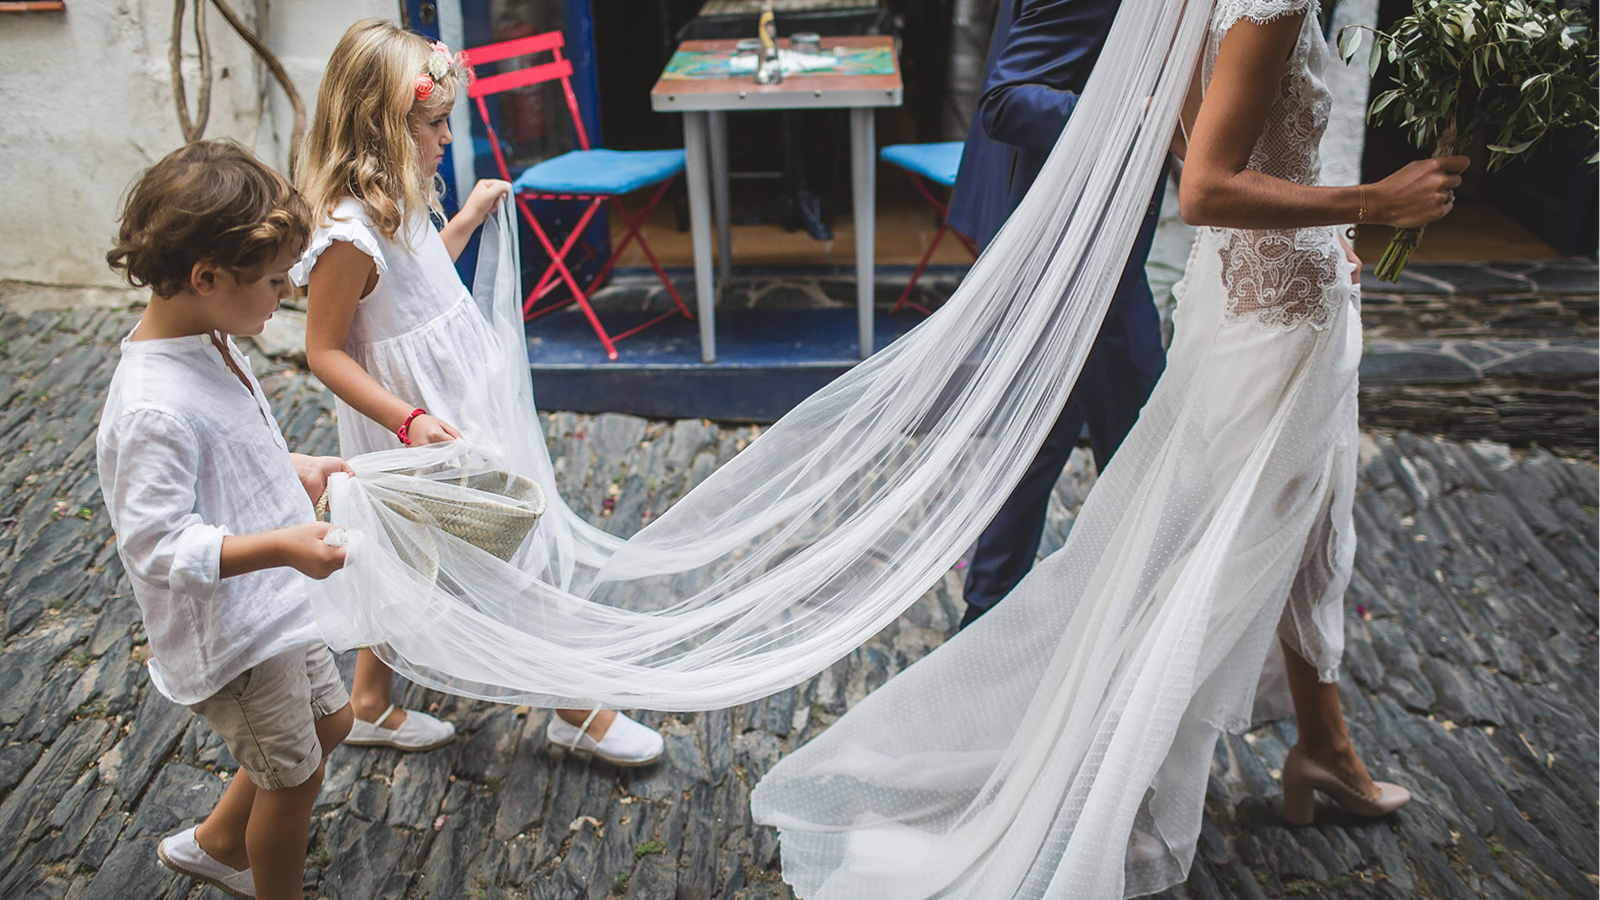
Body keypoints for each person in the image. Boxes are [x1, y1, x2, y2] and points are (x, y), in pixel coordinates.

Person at [750, 0, 1469, 894]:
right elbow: (1194, 176)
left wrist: (1310, 228)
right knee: (1192, 549)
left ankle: (1326, 751)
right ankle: (1096, 774)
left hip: (1252, 288)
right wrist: (1369, 202)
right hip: (1220, 296)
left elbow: (1197, 135)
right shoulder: (1265, 7)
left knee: (1296, 525)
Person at [293, 19, 663, 765]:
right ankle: (575, 707)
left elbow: (417, 287)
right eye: (433, 124)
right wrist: (410, 421)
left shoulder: (398, 197)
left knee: (401, 555)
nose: (445, 140)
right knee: (506, 545)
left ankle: (367, 703)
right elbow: (324, 350)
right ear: (379, 127)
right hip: (419, 420)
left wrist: (460, 222)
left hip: (455, 404)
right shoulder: (345, 234)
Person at [99, 140, 355, 900]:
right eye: (276, 280)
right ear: (208, 278)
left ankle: (215, 843)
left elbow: (241, 442)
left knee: (332, 726)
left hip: (274, 602)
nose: (288, 293)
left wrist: (296, 470)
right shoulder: (150, 407)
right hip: (234, 635)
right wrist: (281, 542)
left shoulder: (211, 336)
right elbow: (156, 545)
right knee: (295, 779)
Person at [947, 0, 1168, 629]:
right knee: (1142, 449)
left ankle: (985, 623)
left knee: (1039, 433)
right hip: (1078, 242)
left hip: (1089, 238)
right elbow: (1006, 99)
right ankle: (1137, 630)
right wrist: (1139, 118)